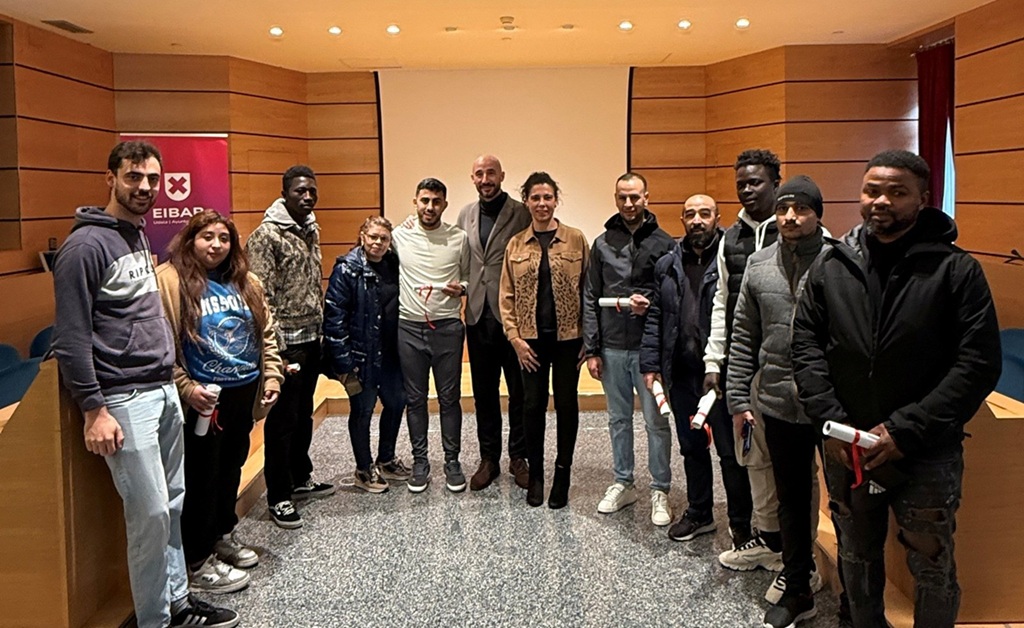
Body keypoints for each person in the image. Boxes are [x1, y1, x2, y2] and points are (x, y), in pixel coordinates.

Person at [792, 150, 1002, 628]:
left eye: (897, 192)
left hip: (926, 448)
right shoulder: (832, 264)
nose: (881, 201)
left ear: (922, 199)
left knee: (932, 565)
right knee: (856, 555)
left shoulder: (956, 270)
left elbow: (977, 363)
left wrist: (905, 430)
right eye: (872, 190)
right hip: (848, 445)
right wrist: (835, 422)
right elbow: (805, 345)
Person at [52, 141, 239, 628]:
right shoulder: (85, 248)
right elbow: (71, 337)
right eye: (134, 177)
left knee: (172, 503)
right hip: (123, 397)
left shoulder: (135, 235)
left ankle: (179, 601)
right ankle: (155, 619)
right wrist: (94, 409)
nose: (145, 187)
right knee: (151, 514)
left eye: (153, 179)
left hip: (161, 389)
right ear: (110, 178)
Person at [156, 210, 284, 594]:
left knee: (230, 467)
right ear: (190, 240)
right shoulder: (170, 281)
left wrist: (272, 374)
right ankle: (197, 559)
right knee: (201, 475)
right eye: (207, 237)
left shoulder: (246, 282)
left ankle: (221, 534)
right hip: (201, 400)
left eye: (224, 238)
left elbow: (266, 332)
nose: (216, 245)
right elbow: (161, 346)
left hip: (241, 392)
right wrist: (186, 387)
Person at [726, 176, 830, 627]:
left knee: (845, 505)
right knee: (791, 499)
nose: (790, 217)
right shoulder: (758, 263)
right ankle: (798, 586)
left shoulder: (840, 261)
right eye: (784, 208)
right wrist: (737, 397)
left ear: (817, 214)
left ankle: (855, 596)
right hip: (777, 401)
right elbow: (743, 336)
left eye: (801, 208)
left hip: (833, 406)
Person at [640, 194, 754, 544]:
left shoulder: (732, 259)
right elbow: (656, 316)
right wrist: (651, 364)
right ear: (682, 220)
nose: (697, 220)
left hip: (719, 375)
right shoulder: (668, 263)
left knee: (729, 453)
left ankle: (741, 522)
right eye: (690, 214)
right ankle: (700, 512)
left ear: (718, 217)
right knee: (692, 447)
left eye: (705, 213)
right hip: (681, 373)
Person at [703, 149, 785, 572]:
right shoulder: (729, 239)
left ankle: (798, 551)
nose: (747, 190)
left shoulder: (796, 230)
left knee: (792, 463)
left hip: (787, 368)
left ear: (775, 183)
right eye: (741, 184)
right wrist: (713, 361)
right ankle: (768, 540)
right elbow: (721, 302)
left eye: (755, 182)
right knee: (753, 456)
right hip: (742, 365)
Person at [582, 172, 676, 525]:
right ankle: (624, 482)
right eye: (622, 197)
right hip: (612, 348)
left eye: (635, 196)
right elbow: (591, 296)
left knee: (656, 422)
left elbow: (671, 296)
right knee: (618, 419)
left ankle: (660, 488)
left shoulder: (665, 243)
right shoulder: (602, 243)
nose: (629, 203)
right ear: (616, 198)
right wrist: (592, 349)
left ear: (646, 197)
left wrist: (647, 302)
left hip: (649, 350)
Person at [247, 165, 335, 529]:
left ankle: (300, 478)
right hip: (286, 348)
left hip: (311, 340)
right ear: (284, 193)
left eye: (312, 190)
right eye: (300, 191)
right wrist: (277, 353)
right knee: (282, 423)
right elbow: (260, 297)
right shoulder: (266, 236)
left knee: (302, 416)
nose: (308, 196)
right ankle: (279, 496)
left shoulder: (311, 228)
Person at [499, 172, 589, 508]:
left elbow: (589, 291)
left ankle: (562, 476)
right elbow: (506, 296)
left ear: (556, 200)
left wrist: (589, 338)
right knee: (532, 406)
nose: (542, 204)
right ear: (526, 201)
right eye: (535, 198)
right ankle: (535, 476)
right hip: (530, 343)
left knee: (566, 405)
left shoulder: (576, 239)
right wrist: (515, 339)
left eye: (547, 197)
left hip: (569, 341)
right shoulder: (516, 245)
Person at [457, 155, 533, 491]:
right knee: (484, 393)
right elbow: (465, 262)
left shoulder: (521, 213)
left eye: (491, 173)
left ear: (502, 175)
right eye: (479, 174)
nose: (485, 179)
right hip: (477, 316)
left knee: (520, 392)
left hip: (514, 318)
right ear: (472, 178)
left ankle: (519, 456)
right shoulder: (465, 214)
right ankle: (489, 458)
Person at [392, 178, 471, 493]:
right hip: (409, 328)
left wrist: (461, 288)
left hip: (448, 328)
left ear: (445, 205)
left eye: (436, 201)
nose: (430, 207)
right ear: (415, 201)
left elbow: (469, 277)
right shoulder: (399, 236)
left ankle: (452, 461)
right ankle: (420, 461)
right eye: (424, 200)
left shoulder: (458, 238)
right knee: (415, 399)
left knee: (450, 398)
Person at [323, 216, 409, 493]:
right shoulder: (346, 270)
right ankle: (363, 468)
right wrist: (345, 363)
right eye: (373, 237)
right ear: (362, 236)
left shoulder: (394, 264)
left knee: (396, 403)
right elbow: (334, 319)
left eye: (383, 238)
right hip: (361, 357)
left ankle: (386, 459)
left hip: (392, 354)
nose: (378, 243)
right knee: (362, 411)